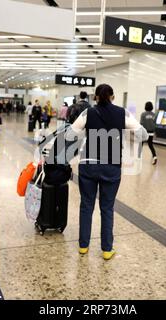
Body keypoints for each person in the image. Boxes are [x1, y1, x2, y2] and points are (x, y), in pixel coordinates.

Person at [68, 84, 148, 260]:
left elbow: (69, 134)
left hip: (88, 164)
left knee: (86, 206)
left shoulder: (87, 113)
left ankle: (83, 246)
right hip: (111, 166)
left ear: (95, 97)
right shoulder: (122, 113)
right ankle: (106, 249)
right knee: (107, 207)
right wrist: (126, 134)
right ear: (112, 97)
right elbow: (144, 135)